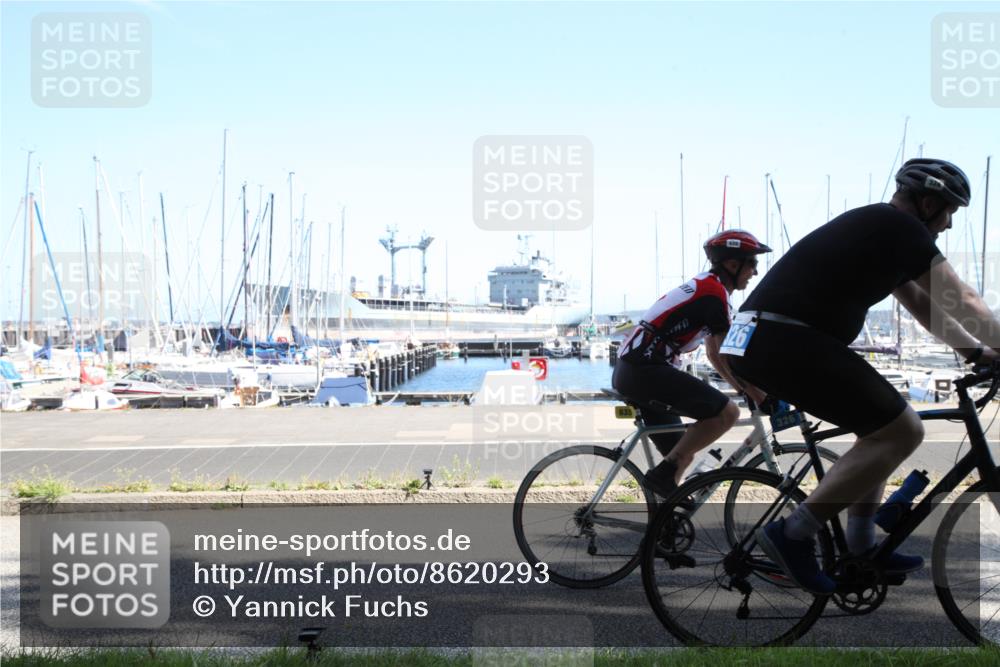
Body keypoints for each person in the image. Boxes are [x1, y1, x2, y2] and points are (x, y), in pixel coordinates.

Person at [724, 158, 1000, 594]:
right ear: (928, 204)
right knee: (901, 430)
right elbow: (961, 297)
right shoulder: (900, 229)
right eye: (949, 212)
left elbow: (923, 305)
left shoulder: (883, 232)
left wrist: (974, 351)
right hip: (782, 337)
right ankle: (793, 533)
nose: (947, 225)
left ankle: (861, 545)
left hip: (766, 338)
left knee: (879, 427)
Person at [613, 229, 772, 498]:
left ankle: (664, 531)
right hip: (645, 370)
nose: (755, 272)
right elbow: (724, 354)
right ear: (732, 264)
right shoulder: (712, 293)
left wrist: (745, 389)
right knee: (727, 414)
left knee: (680, 458)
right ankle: (663, 479)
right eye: (752, 263)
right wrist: (755, 393)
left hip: (636, 370)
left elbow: (713, 353)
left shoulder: (710, 288)